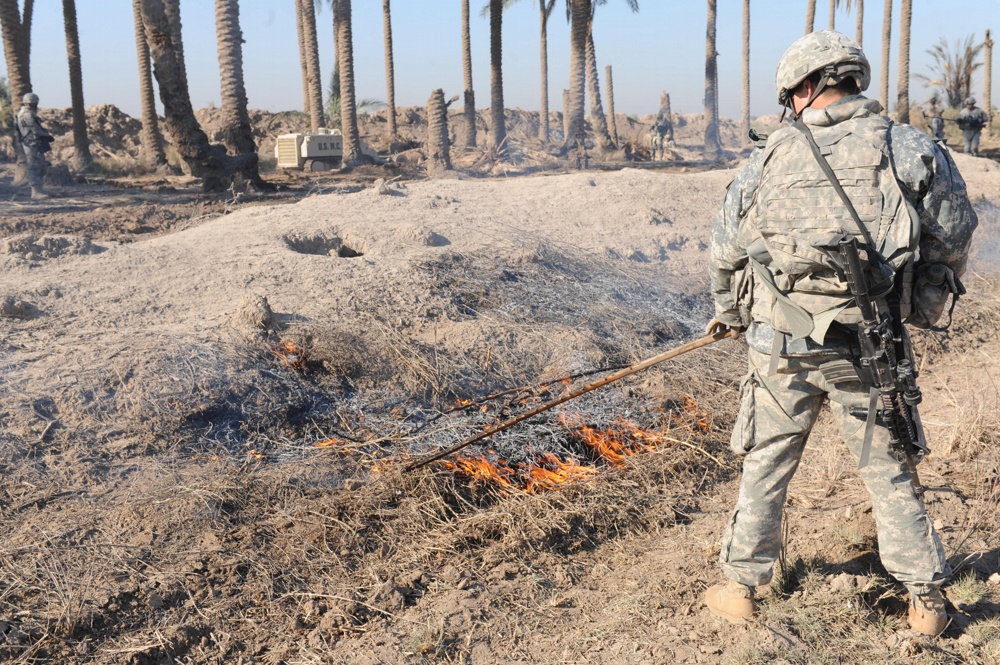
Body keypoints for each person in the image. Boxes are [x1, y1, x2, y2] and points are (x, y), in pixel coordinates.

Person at [704, 31, 977, 636]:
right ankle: (926, 601)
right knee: (889, 469)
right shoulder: (910, 147)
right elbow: (954, 234)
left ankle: (740, 586)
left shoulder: (769, 154)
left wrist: (728, 309)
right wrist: (920, 288)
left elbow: (725, 247)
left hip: (779, 346)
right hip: (869, 343)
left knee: (767, 461)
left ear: (804, 87)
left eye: (789, 97)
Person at [15, 92, 54, 200]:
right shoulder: (26, 114)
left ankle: (38, 190)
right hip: (31, 143)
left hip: (33, 143)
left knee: (40, 166)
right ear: (32, 103)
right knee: (35, 167)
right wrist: (46, 135)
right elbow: (35, 130)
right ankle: (35, 192)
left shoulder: (26, 113)